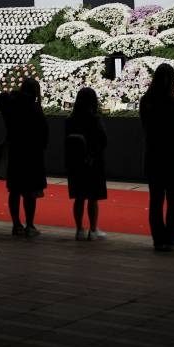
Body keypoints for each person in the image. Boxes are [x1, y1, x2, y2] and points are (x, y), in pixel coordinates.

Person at [140, 63, 174, 252]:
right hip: (173, 155)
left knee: (155, 200)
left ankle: (158, 239)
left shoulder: (146, 100)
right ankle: (172, 239)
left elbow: (144, 126)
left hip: (153, 154)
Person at [0, 78, 49, 237]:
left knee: (14, 190)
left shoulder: (12, 105)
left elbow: (0, 98)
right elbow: (43, 133)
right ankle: (30, 225)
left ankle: (16, 224)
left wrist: (15, 95)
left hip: (15, 151)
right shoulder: (33, 108)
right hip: (31, 153)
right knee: (30, 192)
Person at [64, 87, 108, 241]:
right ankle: (93, 230)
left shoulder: (70, 120)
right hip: (93, 162)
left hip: (75, 163)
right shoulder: (94, 119)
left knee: (79, 197)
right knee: (92, 197)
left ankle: (79, 229)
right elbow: (103, 140)